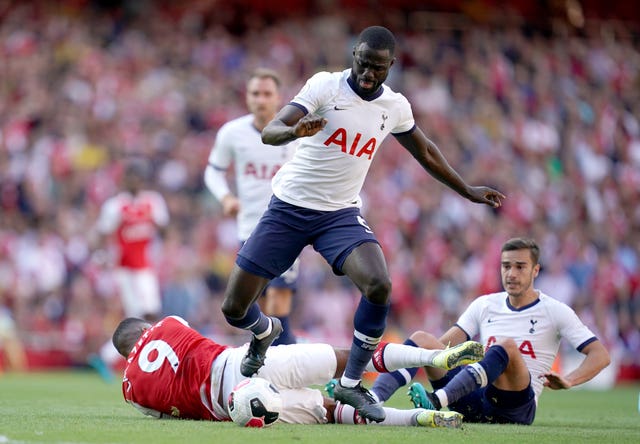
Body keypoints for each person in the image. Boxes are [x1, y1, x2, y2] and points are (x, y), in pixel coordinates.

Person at [219, 25, 505, 422]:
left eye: (378, 68)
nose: (369, 74)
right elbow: (271, 131)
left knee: (379, 285)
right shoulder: (325, 87)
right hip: (289, 208)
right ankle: (265, 332)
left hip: (339, 215)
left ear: (391, 65)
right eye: (363, 64)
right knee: (234, 308)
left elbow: (426, 152)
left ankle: (351, 384)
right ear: (353, 55)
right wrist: (294, 131)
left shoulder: (395, 106)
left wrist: (466, 189)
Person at [370, 237, 611, 425]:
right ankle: (371, 400)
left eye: (520, 267)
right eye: (506, 266)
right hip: (473, 400)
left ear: (535, 271)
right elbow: (441, 349)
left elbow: (600, 355)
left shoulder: (555, 310)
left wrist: (569, 380)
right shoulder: (485, 304)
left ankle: (435, 401)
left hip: (515, 408)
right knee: (422, 340)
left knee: (505, 347)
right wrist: (424, 357)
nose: (511, 273)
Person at [112, 315, 486, 427]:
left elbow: (167, 413)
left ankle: (421, 418)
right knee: (348, 357)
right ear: (146, 330)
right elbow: (189, 340)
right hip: (244, 360)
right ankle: (432, 359)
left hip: (233, 404)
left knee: (330, 412)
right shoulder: (168, 323)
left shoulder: (131, 392)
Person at [204, 68, 298, 345]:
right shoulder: (233, 133)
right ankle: (278, 361)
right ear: (247, 97)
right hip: (250, 228)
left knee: (279, 300)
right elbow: (213, 171)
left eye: (267, 94)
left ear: (278, 98)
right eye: (255, 93)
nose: (261, 100)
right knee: (255, 304)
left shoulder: (295, 134)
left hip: (289, 226)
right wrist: (225, 197)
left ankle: (283, 366)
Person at [91, 160, 170, 380]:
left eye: (139, 178)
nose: (136, 182)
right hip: (125, 269)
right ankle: (135, 361)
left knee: (146, 313)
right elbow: (101, 232)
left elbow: (164, 228)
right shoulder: (116, 205)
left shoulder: (153, 202)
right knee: (141, 315)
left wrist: (163, 234)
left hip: (145, 266)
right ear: (125, 179)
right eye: (132, 177)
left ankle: (106, 356)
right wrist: (100, 255)